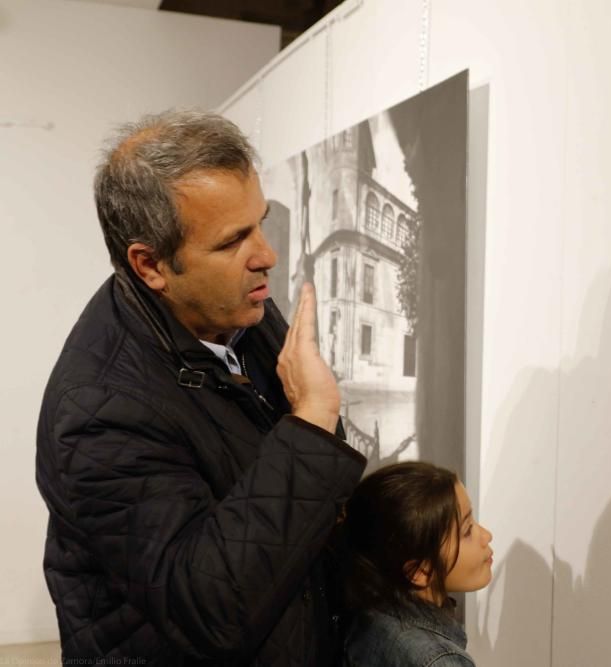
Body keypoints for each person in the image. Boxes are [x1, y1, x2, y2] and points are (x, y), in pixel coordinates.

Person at [35, 110, 367, 664]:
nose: (266, 255)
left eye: (259, 223)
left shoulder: (237, 309)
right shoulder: (98, 410)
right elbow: (213, 606)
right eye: (233, 240)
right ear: (151, 265)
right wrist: (312, 419)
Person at [333, 462, 493, 666]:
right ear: (420, 571)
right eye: (467, 530)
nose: (487, 536)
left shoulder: (369, 614)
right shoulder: (438, 661)